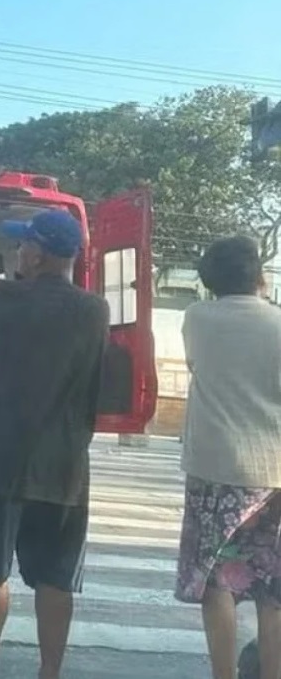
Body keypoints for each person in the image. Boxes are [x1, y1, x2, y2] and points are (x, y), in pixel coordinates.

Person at [0, 209, 110, 679]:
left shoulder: (0, 296)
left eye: (24, 245)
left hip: (0, 458)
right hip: (63, 466)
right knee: (55, 578)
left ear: (37, 253)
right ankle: (49, 672)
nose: (19, 251)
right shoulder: (95, 310)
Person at [175, 236, 281, 679]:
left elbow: (199, 367)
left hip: (216, 468)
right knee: (272, 587)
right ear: (259, 276)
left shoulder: (196, 318)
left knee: (216, 579)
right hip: (274, 468)